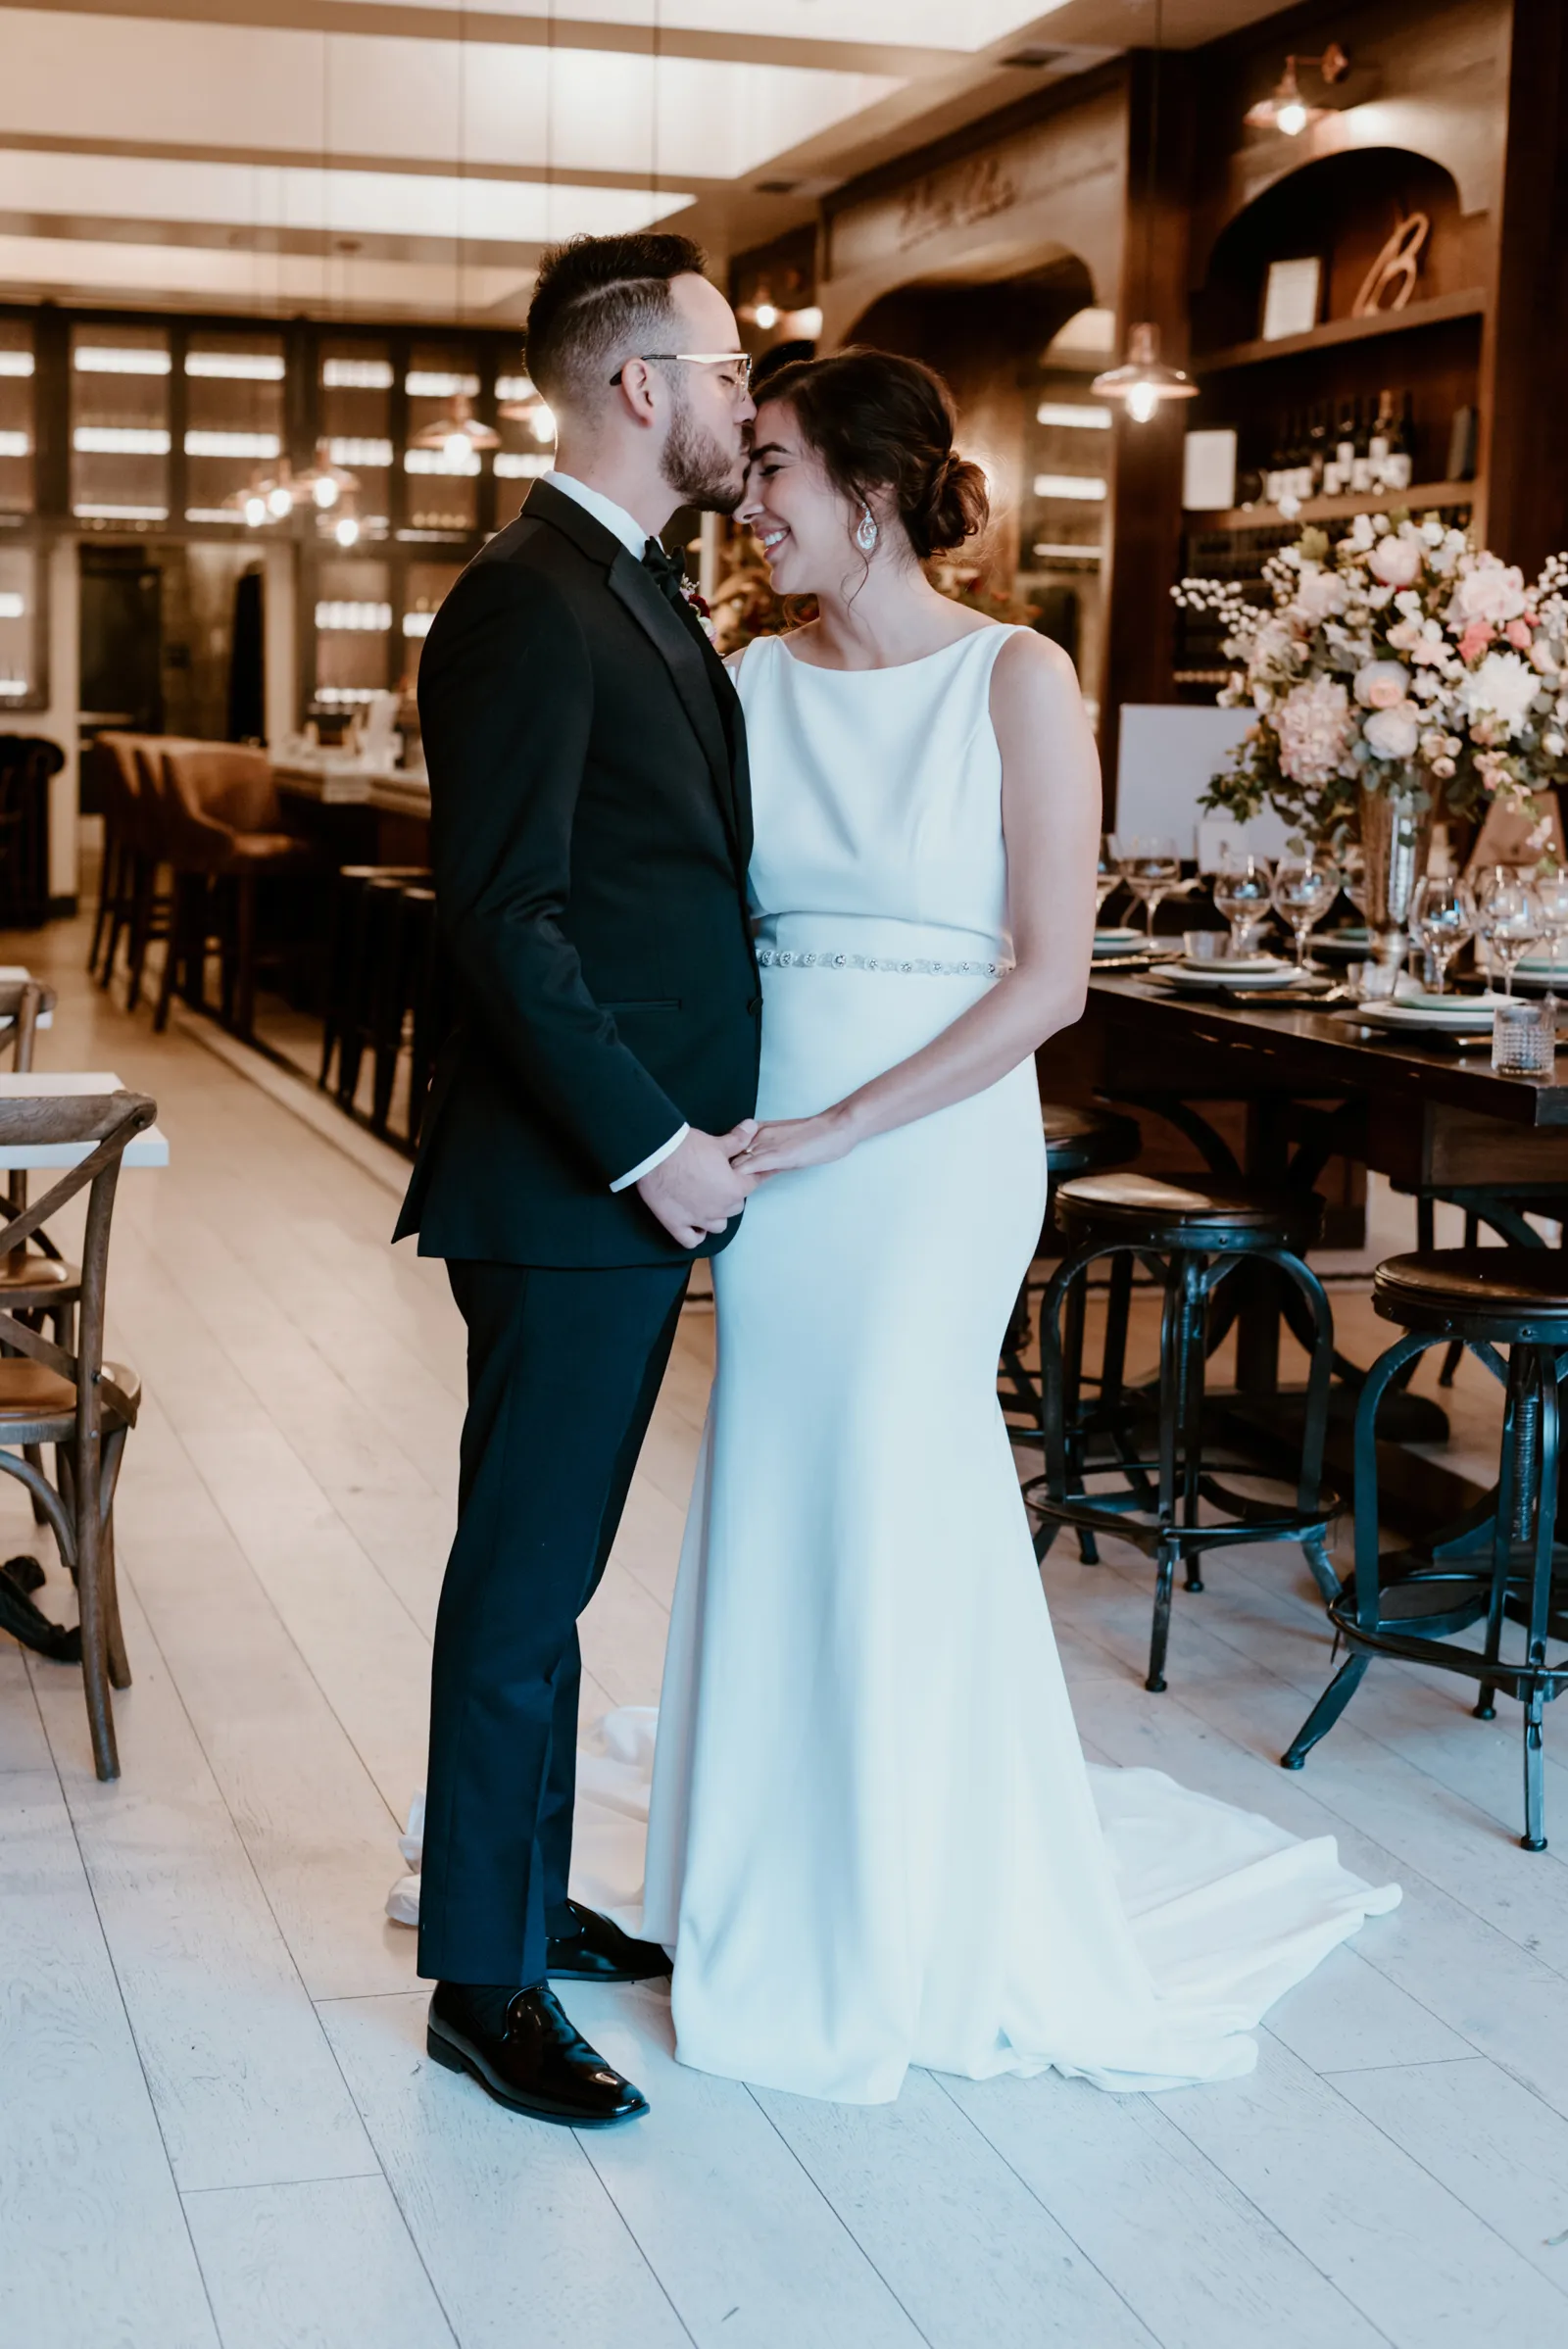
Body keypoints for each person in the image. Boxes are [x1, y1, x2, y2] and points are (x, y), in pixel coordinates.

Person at [594, 347, 1398, 2103]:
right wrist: (710, 1125)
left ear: (872, 493)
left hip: (929, 1148)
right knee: (776, 1482)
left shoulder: (1017, 678)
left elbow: (1049, 978)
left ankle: (907, 1902)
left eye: (781, 466)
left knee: (901, 1468)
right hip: (771, 1151)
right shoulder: (747, 681)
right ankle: (765, 1884)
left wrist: (844, 1125)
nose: (752, 495)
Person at [393, 231, 762, 2126]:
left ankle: (520, 1900)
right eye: (727, 363)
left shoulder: (634, 591)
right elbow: (506, 922)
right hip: (570, 1188)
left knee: (555, 1575)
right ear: (642, 384)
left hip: (617, 1184)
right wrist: (652, 1145)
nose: (747, 395)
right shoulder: (529, 600)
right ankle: (482, 1978)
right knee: (524, 1586)